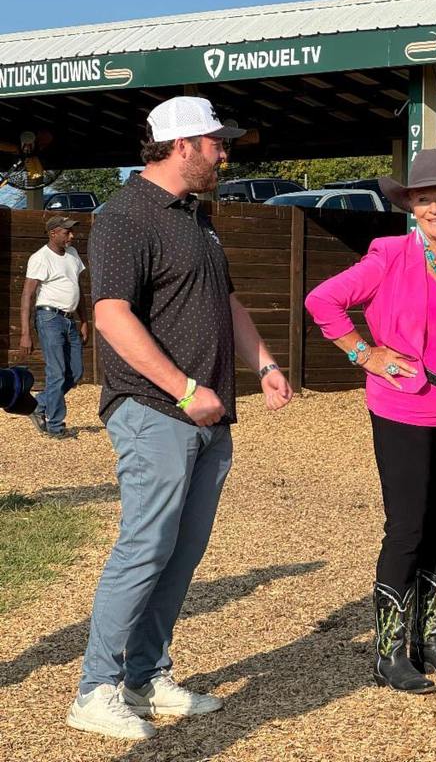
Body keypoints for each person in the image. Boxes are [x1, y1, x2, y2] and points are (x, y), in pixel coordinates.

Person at [67, 96, 293, 740]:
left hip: (209, 414)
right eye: (218, 142)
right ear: (184, 144)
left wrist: (266, 365)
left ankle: (144, 676)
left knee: (181, 552)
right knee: (144, 548)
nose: (226, 153)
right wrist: (184, 387)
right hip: (154, 408)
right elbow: (111, 315)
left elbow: (226, 302)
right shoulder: (125, 215)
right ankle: (96, 688)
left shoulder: (195, 216)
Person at [305, 149, 436, 694]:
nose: (433, 207)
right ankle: (390, 652)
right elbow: (322, 300)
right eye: (423, 199)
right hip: (403, 405)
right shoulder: (390, 255)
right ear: (410, 207)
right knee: (407, 526)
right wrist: (363, 353)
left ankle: (430, 638)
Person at [19, 215, 88, 437]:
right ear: (53, 233)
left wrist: (85, 321)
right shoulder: (40, 258)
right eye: (67, 232)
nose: (71, 235)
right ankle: (56, 426)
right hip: (49, 319)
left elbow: (77, 288)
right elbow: (27, 295)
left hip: (69, 319)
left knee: (75, 372)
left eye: (71, 231)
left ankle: (39, 404)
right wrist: (25, 333)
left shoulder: (73, 254)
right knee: (56, 372)